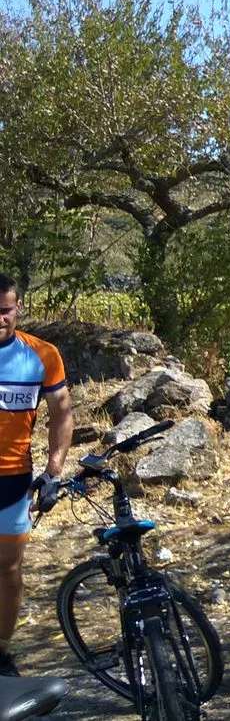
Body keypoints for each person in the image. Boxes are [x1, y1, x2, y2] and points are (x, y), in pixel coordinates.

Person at [0, 274, 72, 677]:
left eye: (5, 310)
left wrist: (53, 472)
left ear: (18, 307)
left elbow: (62, 412)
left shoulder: (41, 355)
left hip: (12, 482)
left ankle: (1, 653)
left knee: (8, 571)